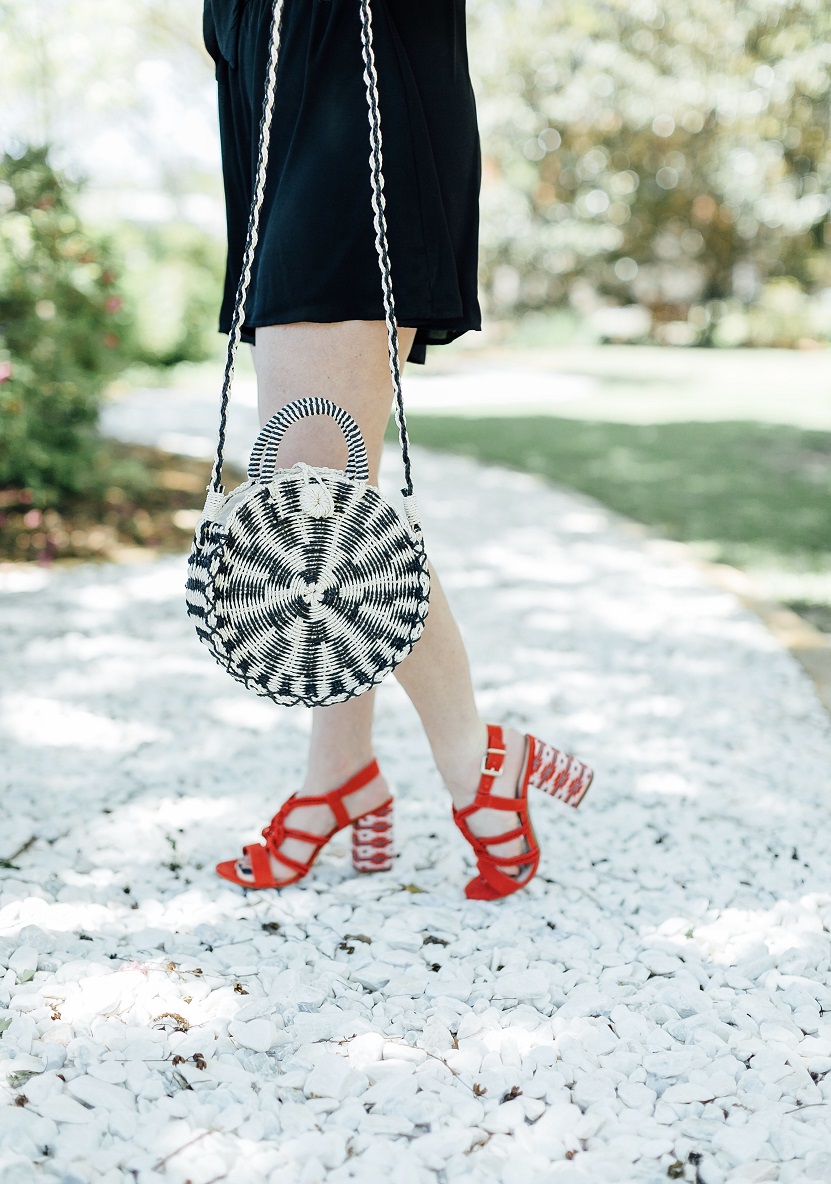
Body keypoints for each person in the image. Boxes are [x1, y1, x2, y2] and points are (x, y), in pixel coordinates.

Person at [203, 0, 593, 901]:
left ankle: (474, 757)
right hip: (278, 91)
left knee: (317, 500)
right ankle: (337, 774)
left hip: (352, 86)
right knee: (327, 501)